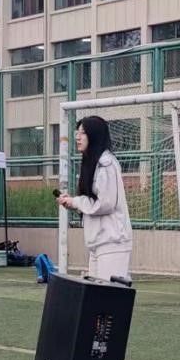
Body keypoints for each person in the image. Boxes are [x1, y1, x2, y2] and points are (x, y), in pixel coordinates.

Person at [57, 115, 133, 283]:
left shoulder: (106, 163)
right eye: (77, 132)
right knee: (96, 294)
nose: (77, 137)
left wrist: (76, 201)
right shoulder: (93, 162)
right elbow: (93, 202)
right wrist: (73, 202)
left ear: (95, 135)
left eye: (83, 133)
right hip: (98, 243)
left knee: (108, 294)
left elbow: (105, 204)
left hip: (112, 242)